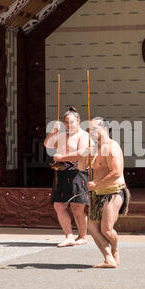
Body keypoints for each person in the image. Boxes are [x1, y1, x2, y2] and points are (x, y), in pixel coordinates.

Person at [78, 117, 130, 268]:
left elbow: (116, 172)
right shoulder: (93, 148)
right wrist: (84, 154)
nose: (91, 132)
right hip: (97, 192)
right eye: (90, 129)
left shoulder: (112, 147)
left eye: (94, 129)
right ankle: (108, 258)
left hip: (113, 191)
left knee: (106, 229)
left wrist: (97, 184)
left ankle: (114, 250)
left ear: (105, 129)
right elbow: (81, 167)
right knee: (92, 228)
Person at [44, 106, 90, 247]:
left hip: (78, 173)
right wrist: (53, 133)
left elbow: (80, 153)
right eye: (66, 122)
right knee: (59, 205)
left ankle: (82, 236)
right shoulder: (62, 136)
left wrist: (61, 157)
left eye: (71, 122)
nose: (69, 125)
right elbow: (47, 144)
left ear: (78, 120)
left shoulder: (84, 136)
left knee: (77, 207)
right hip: (62, 173)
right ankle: (68, 236)